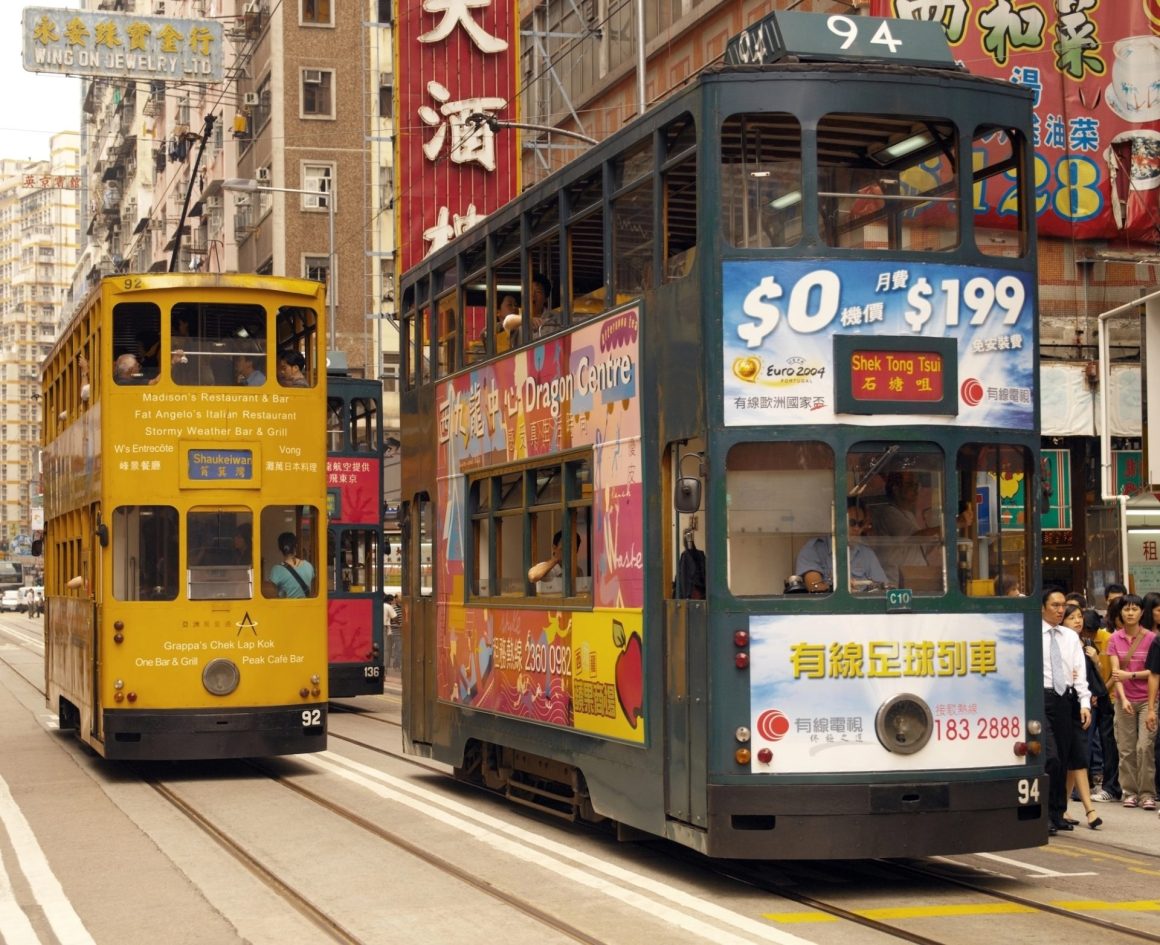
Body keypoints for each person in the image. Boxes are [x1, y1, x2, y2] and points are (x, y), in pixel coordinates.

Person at [1041, 588, 1091, 835]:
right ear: (1042, 607)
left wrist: (1084, 703)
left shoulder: (1070, 637)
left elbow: (1079, 672)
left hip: (1065, 700)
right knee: (1050, 757)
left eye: (1063, 606)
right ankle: (1045, 814)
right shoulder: (1031, 633)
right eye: (1055, 605)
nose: (1061, 610)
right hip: (1040, 698)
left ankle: (1058, 813)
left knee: (1062, 756)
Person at [1107, 593, 1157, 810]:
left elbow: (1155, 671)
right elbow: (1116, 673)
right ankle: (1130, 791)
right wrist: (1123, 697)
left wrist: (1132, 676)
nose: (1130, 613)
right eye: (1126, 609)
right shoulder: (1114, 639)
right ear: (1121, 613)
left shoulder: (1152, 638)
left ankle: (1147, 793)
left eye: (1134, 609)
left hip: (1148, 700)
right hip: (1123, 700)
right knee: (1126, 749)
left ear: (1141, 612)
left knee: (1145, 747)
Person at [1061, 602, 1103, 829]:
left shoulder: (1086, 643)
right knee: (1077, 757)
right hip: (1067, 703)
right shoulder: (1059, 642)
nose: (1078, 621)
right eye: (1071, 618)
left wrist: (1095, 659)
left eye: (1079, 617)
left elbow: (1093, 676)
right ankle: (1089, 809)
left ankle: (1063, 807)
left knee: (1076, 758)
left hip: (1085, 703)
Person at [795, 499, 890, 593]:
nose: (857, 528)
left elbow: (883, 589)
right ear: (836, 522)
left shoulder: (867, 554)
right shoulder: (813, 549)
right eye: (852, 523)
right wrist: (840, 589)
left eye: (860, 524)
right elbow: (814, 587)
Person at [871, 470, 941, 585]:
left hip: (914, 579)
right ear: (896, 489)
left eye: (915, 485)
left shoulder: (908, 515)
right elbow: (914, 537)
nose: (915, 489)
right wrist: (953, 525)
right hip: (898, 582)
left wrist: (935, 541)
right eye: (909, 484)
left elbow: (920, 546)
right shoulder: (888, 513)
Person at [1085, 607, 1123, 803]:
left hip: (1108, 696)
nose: (1087, 635)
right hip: (1089, 698)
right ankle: (1084, 785)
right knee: (1088, 741)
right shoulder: (1077, 640)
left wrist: (1100, 692)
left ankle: (1111, 785)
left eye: (1091, 632)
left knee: (1108, 742)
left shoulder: (1108, 639)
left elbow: (1111, 674)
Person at [268, 532, 315, 598]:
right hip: (306, 607)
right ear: (296, 546)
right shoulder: (309, 566)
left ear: (280, 549)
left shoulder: (276, 570)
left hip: (287, 608)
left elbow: (271, 594)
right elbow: (312, 591)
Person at [384, 593, 400, 670]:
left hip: (379, 628)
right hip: (386, 628)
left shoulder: (379, 605)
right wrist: (399, 623)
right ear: (390, 601)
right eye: (393, 600)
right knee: (387, 649)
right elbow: (395, 618)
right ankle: (385, 667)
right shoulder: (388, 607)